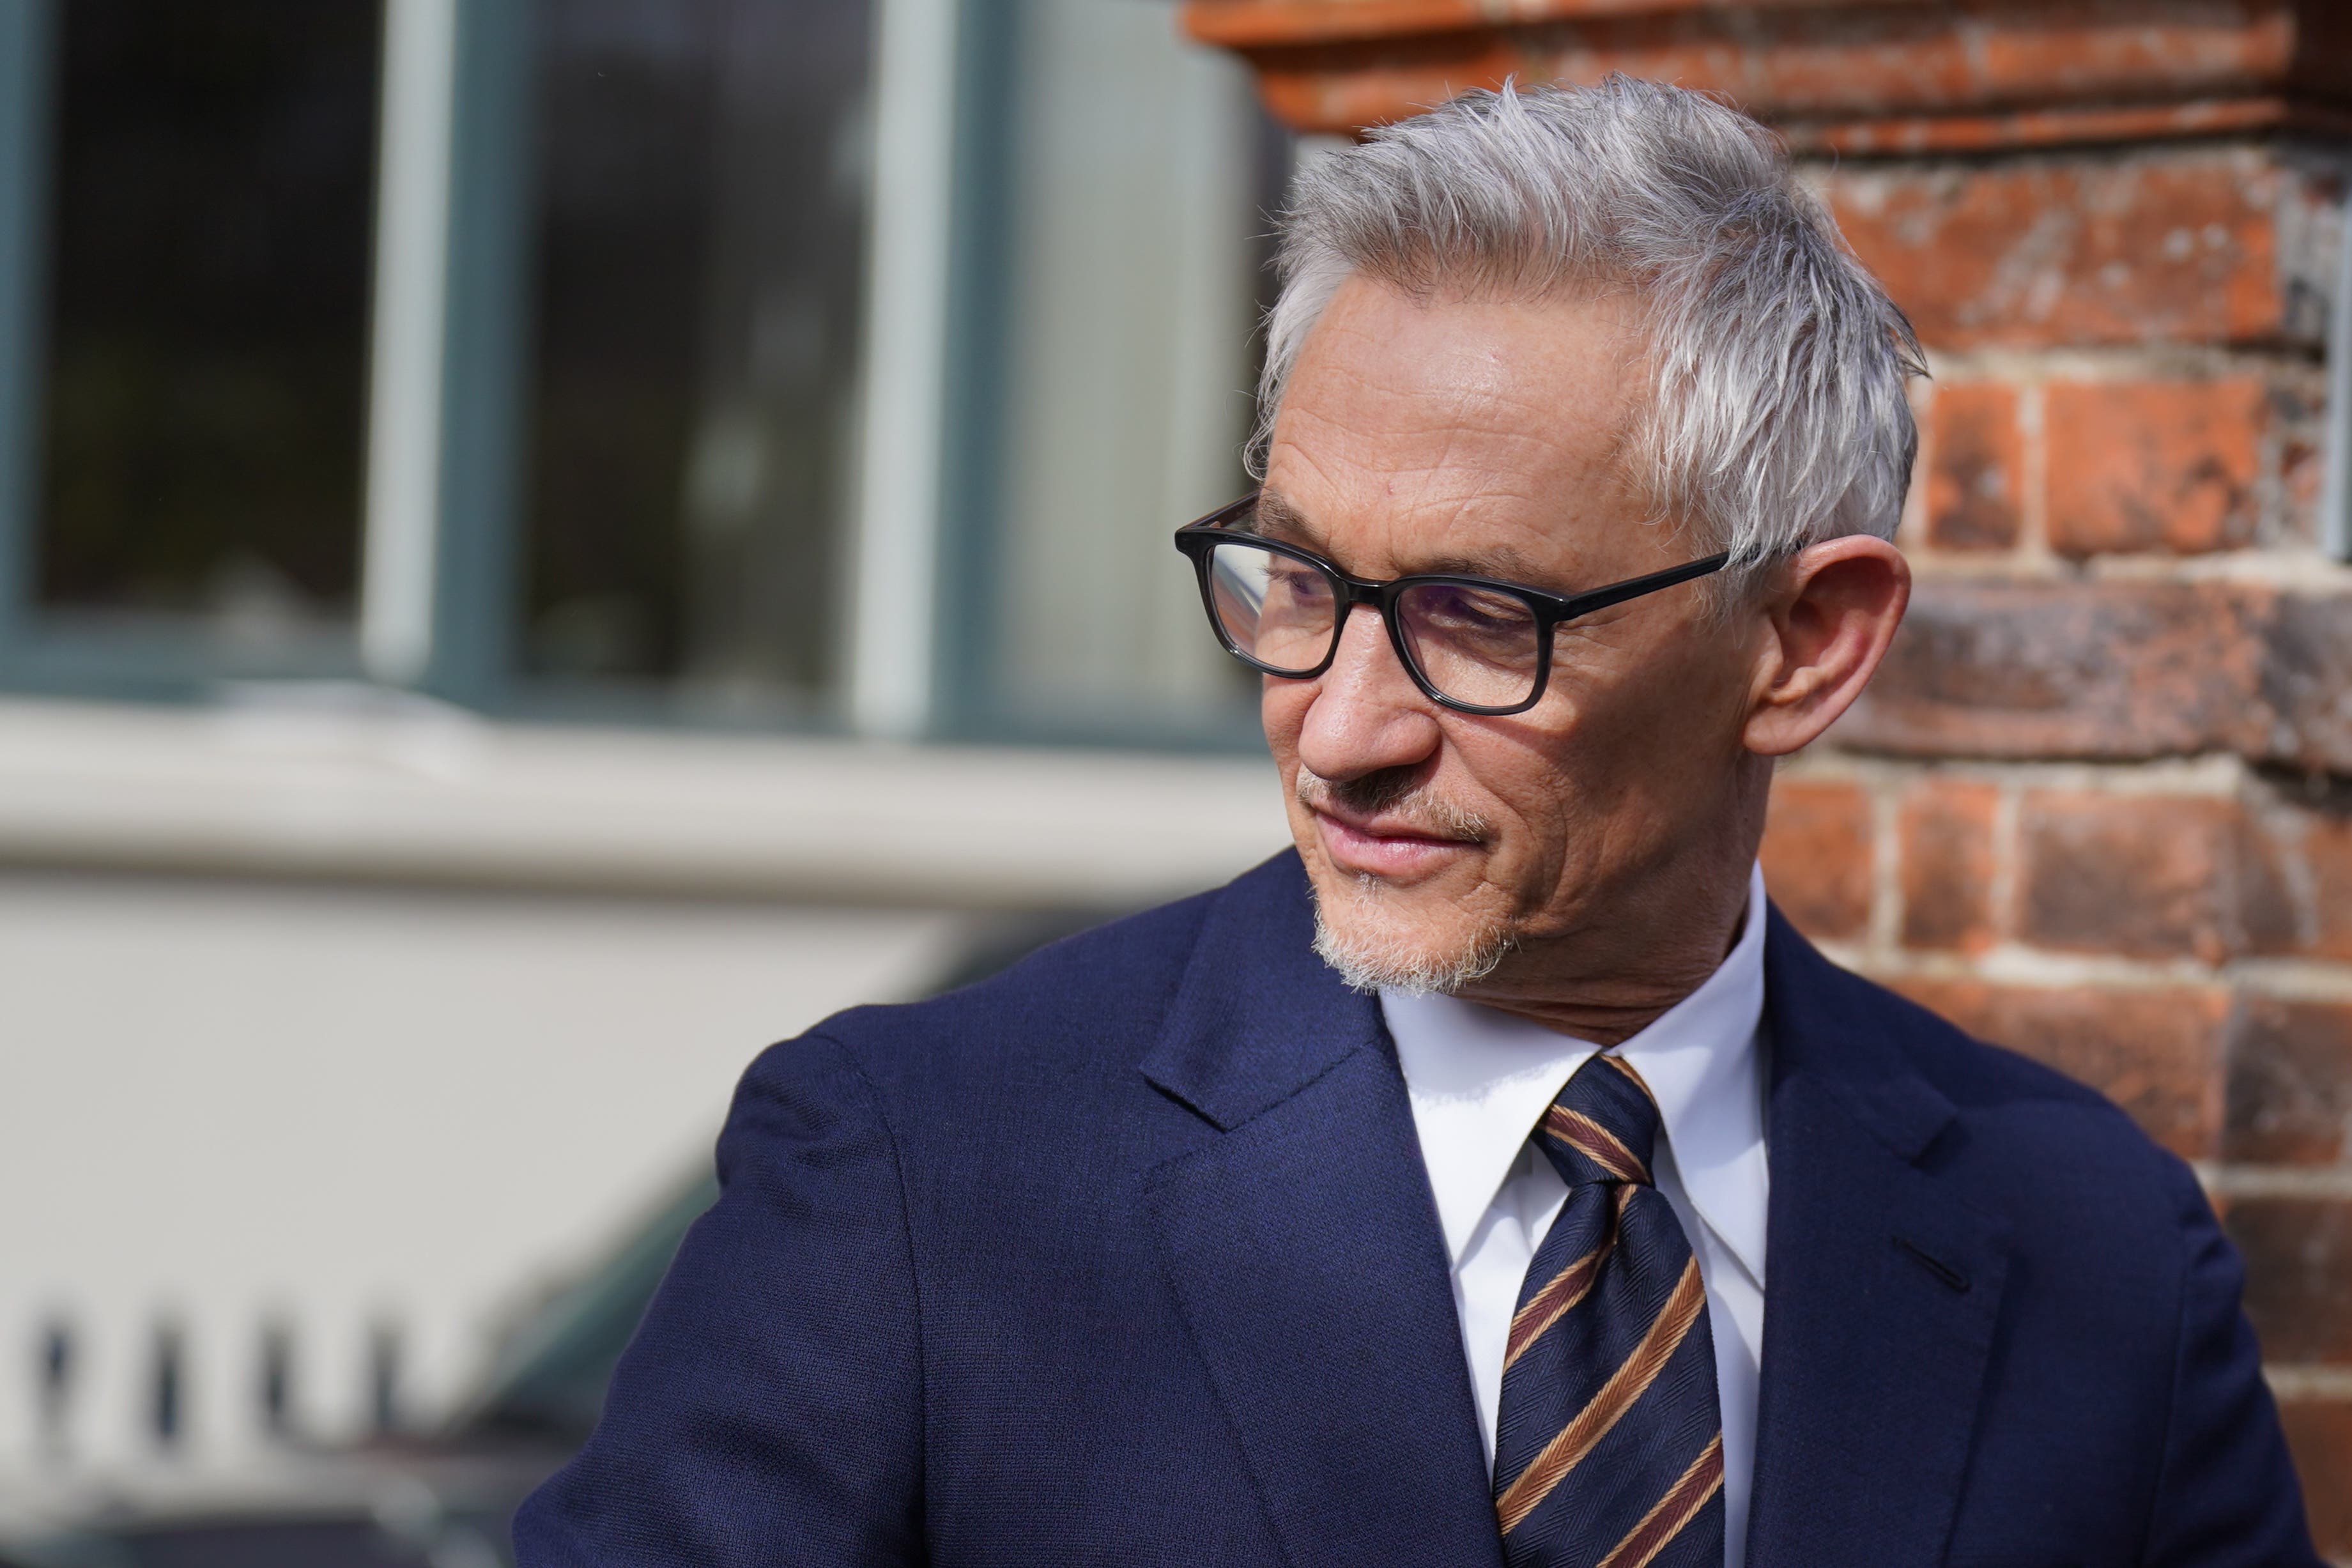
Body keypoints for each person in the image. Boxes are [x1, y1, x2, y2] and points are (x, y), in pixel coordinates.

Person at [513, 78, 2318, 1567]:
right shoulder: (921, 1179)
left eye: (1480, 617)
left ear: (1801, 644)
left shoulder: (2093, 1253)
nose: (1340, 728)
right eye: (1292, 578)